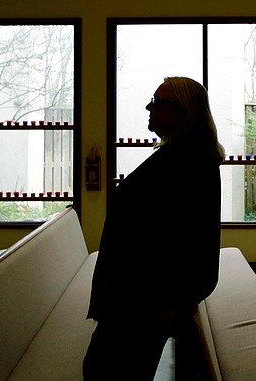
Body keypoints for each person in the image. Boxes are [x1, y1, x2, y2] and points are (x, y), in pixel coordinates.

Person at [83, 76, 225, 380]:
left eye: (158, 102)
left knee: (105, 372)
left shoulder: (188, 162)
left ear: (183, 113)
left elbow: (186, 243)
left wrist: (170, 304)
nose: (149, 106)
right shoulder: (180, 156)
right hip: (138, 302)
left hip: (141, 306)